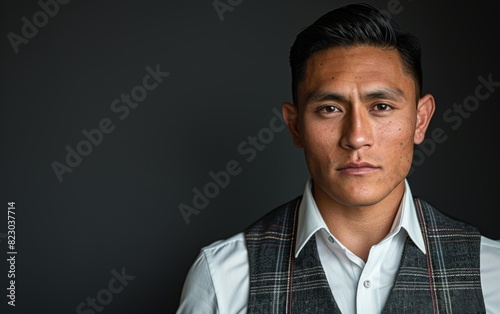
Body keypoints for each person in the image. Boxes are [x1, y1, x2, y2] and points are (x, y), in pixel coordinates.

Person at [176, 3, 500, 313]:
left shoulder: (491, 275)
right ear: (295, 127)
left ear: (420, 120)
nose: (356, 136)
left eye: (381, 107)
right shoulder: (223, 278)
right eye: (329, 109)